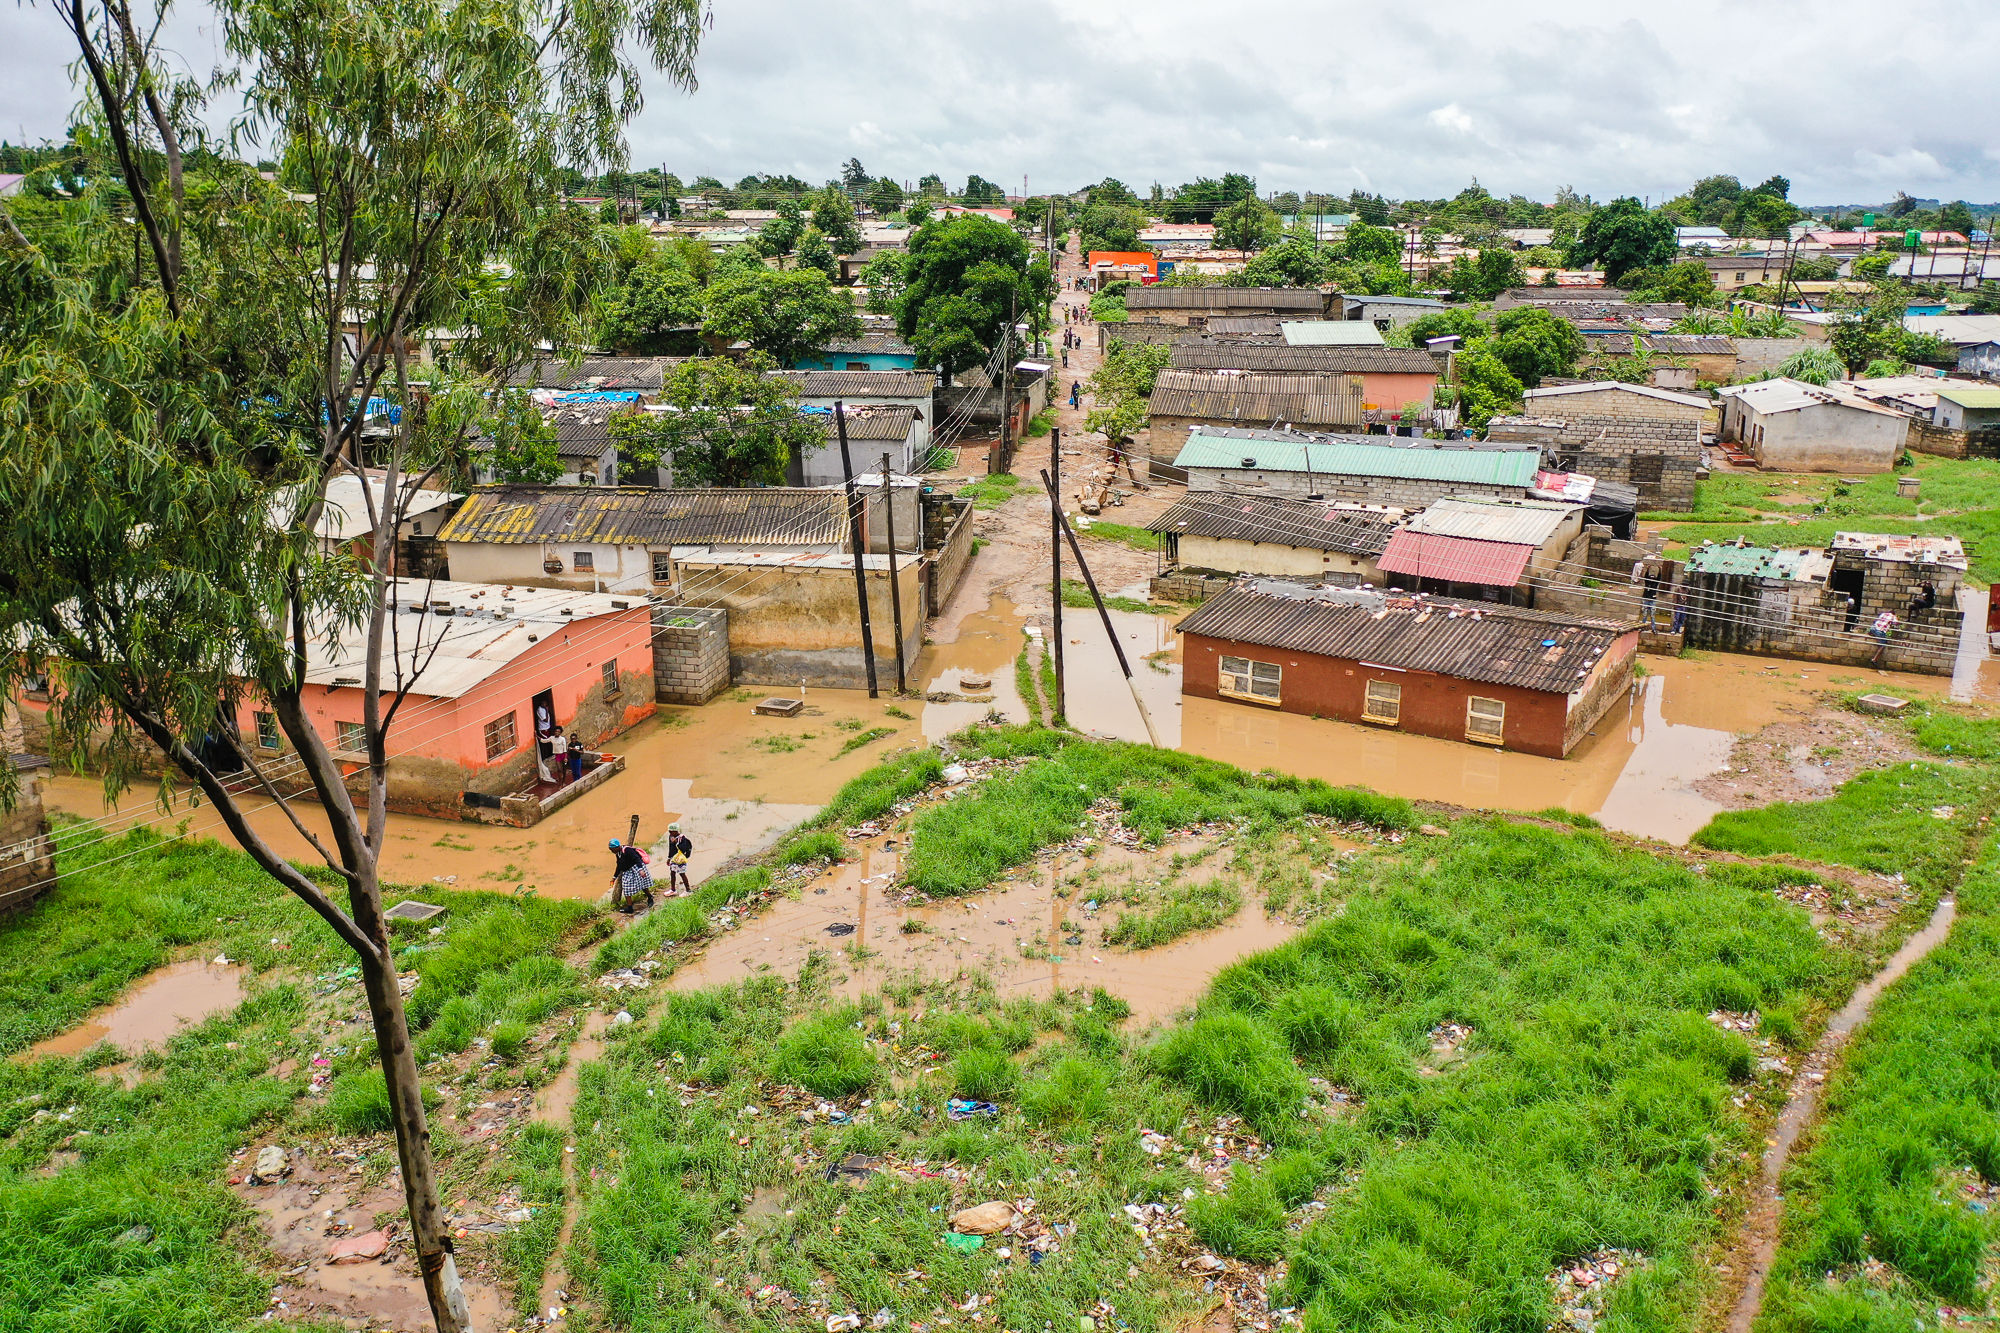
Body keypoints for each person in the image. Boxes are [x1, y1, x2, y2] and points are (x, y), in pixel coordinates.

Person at [608, 838, 653, 913]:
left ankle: (650, 897)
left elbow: (637, 859)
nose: (612, 851)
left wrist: (641, 870)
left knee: (643, 885)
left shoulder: (627, 850)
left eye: (612, 849)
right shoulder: (618, 854)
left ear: (616, 847)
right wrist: (614, 877)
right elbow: (619, 866)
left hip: (636, 869)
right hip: (627, 872)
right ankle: (630, 907)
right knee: (626, 888)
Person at [664, 822, 694, 895]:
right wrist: (669, 858)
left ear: (676, 831)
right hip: (674, 859)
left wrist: (676, 843)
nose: (670, 833)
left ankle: (688, 890)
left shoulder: (681, 838)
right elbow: (671, 849)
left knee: (682, 873)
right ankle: (673, 890)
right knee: (672, 873)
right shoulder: (671, 837)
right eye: (669, 831)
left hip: (680, 859)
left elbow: (683, 849)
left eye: (671, 832)